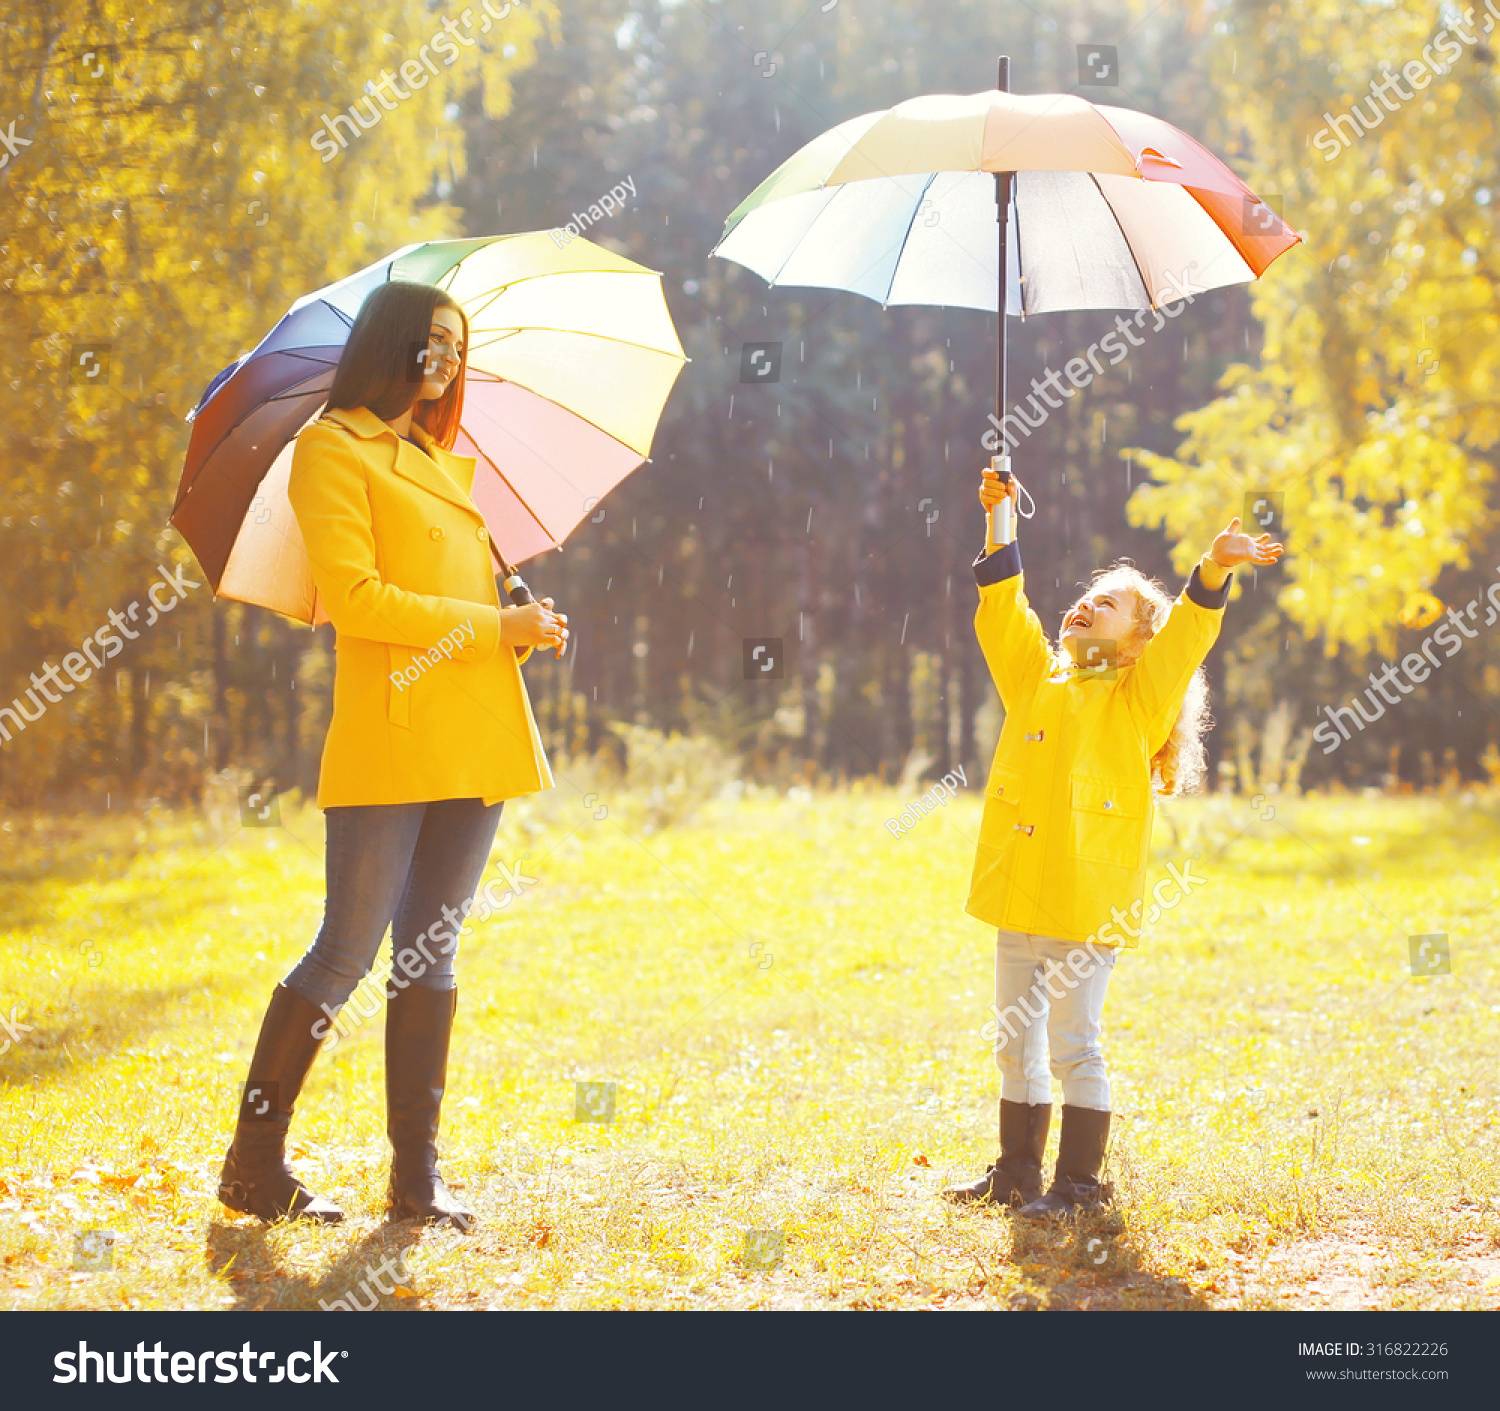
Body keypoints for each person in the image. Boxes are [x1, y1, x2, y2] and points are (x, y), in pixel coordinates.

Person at [217, 280, 569, 1231]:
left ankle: (418, 1180)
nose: (448, 362)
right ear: (393, 345)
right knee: (346, 948)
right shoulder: (331, 451)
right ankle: (252, 1161)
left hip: (479, 731)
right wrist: (495, 626)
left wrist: (523, 628)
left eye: (459, 347)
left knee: (433, 950)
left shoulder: (436, 458)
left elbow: (461, 599)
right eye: (433, 343)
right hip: (394, 730)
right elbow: (362, 602)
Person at [943, 467, 1282, 1219]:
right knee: (1013, 1041)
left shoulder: (1137, 698)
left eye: (1111, 605)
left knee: (1073, 1045)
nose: (1087, 604)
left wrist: (1215, 567)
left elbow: (1189, 633)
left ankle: (1081, 1185)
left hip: (1086, 899)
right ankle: (1017, 1172)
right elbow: (1004, 612)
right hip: (1019, 888)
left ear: (1136, 643)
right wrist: (1001, 524)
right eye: (1087, 596)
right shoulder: (1038, 678)